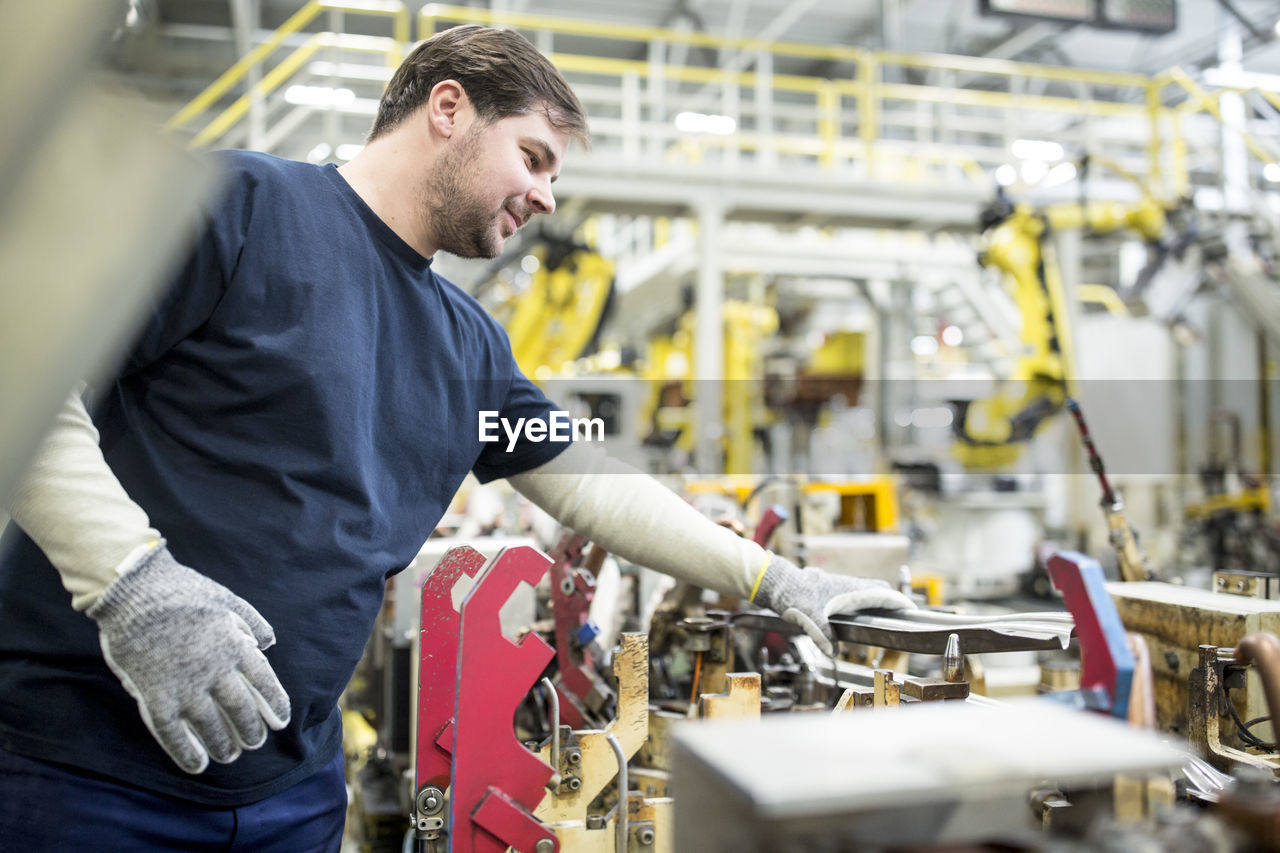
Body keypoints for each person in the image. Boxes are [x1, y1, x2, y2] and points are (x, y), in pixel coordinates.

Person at [0, 24, 912, 851]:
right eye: (535, 156)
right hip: (82, 776)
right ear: (449, 108)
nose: (547, 197)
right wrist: (134, 589)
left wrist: (777, 579)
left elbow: (589, 482)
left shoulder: (467, 342)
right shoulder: (242, 208)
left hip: (294, 792)